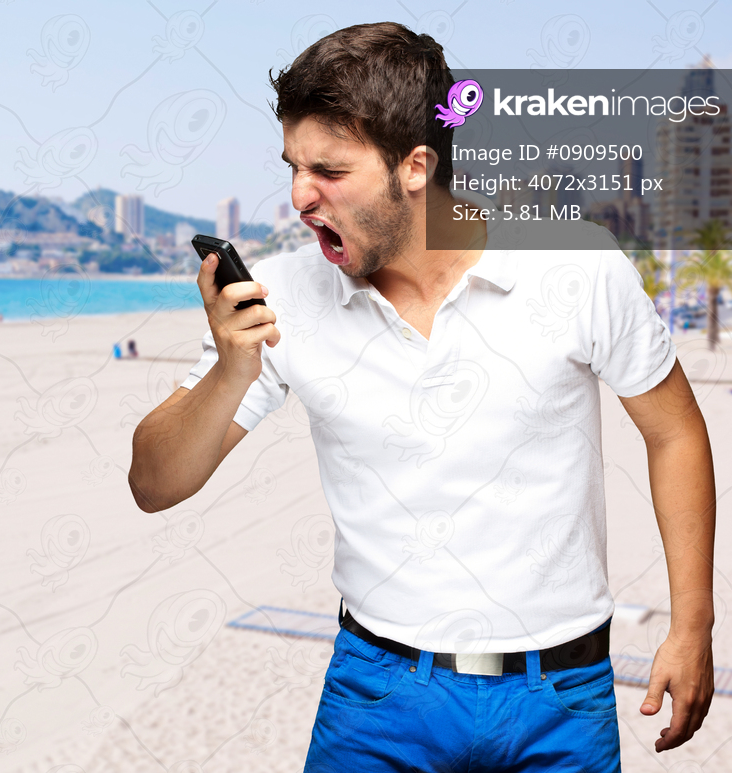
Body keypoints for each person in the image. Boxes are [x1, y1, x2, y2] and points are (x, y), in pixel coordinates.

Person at [127, 22, 715, 772]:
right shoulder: (285, 296)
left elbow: (675, 433)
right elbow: (153, 482)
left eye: (329, 170)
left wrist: (691, 623)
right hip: (375, 696)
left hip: (561, 696)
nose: (301, 195)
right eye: (294, 165)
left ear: (415, 165)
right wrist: (229, 369)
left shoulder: (578, 266)